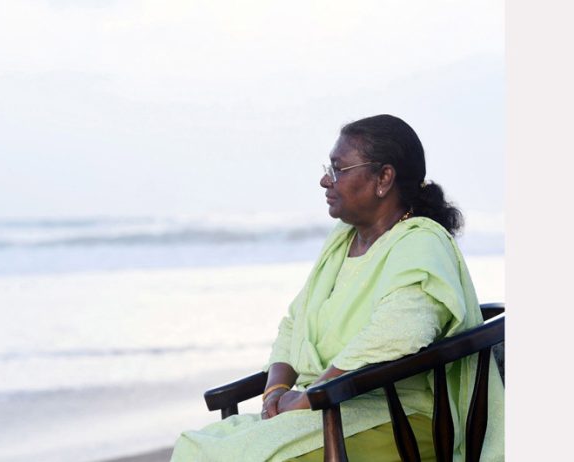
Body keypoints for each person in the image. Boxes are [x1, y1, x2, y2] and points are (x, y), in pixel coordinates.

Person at [170, 114, 504, 461]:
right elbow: (295, 324)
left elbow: (400, 332)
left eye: (337, 168)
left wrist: (309, 396)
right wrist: (277, 390)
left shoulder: (420, 243)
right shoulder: (342, 242)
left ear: (383, 178)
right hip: (330, 407)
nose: (324, 180)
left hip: (402, 416)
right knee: (197, 446)